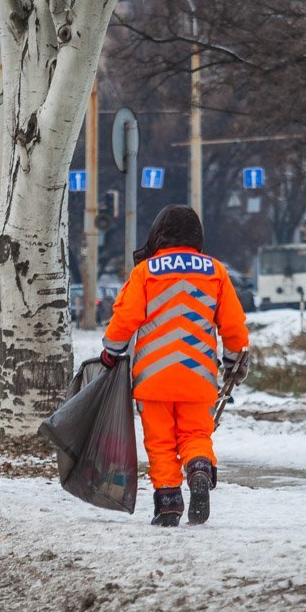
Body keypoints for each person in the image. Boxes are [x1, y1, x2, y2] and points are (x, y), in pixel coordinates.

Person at [99, 205, 249, 526]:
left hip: (153, 378)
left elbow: (125, 319)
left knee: (160, 441)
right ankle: (198, 468)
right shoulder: (216, 271)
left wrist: (111, 352)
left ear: (158, 234)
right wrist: (235, 358)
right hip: (199, 376)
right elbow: (233, 324)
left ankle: (168, 504)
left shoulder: (147, 271)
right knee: (196, 433)